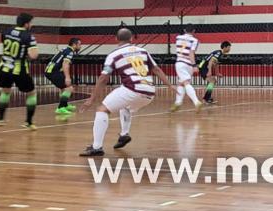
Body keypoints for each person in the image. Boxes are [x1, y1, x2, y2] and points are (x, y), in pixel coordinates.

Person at [79, 28, 175, 156]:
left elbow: (103, 78)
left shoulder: (113, 55)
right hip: (149, 91)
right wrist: (170, 85)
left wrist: (91, 98)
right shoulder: (143, 51)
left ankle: (97, 147)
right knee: (125, 107)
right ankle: (124, 134)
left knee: (102, 110)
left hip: (132, 89)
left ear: (116, 39)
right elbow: (156, 69)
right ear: (132, 39)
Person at [0, 12, 40, 129]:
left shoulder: (6, 32)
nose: (31, 25)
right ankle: (28, 122)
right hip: (19, 69)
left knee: (5, 92)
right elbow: (34, 55)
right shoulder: (28, 36)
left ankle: (0, 119)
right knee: (31, 94)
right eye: (30, 23)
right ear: (26, 24)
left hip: (4, 67)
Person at [45, 37, 81, 118]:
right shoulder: (70, 52)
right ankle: (61, 108)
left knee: (63, 88)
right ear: (74, 45)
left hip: (50, 70)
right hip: (53, 72)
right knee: (69, 88)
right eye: (79, 44)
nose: (80, 46)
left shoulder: (65, 49)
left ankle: (65, 105)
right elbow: (65, 64)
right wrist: (67, 77)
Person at [171, 26, 202, 111]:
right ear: (194, 31)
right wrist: (194, 65)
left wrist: (194, 65)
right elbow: (192, 53)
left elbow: (188, 52)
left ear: (184, 30)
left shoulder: (178, 38)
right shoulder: (195, 40)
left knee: (185, 82)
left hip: (180, 63)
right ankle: (178, 103)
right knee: (181, 83)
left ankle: (196, 102)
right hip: (189, 64)